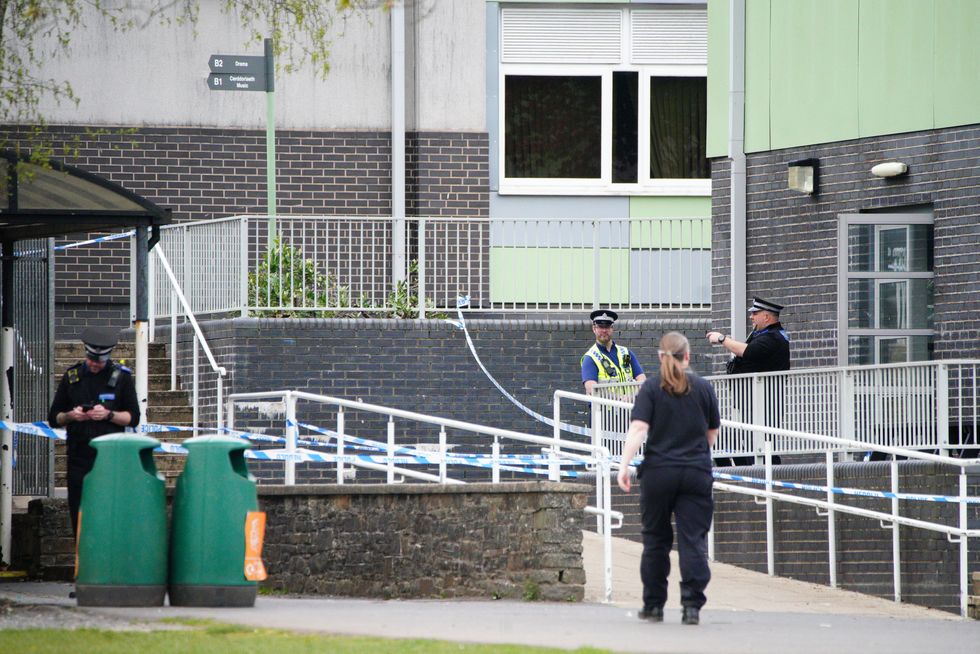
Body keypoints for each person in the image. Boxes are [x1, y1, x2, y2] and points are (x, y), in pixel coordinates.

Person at [617, 332, 720, 626]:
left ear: (661, 357)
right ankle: (691, 606)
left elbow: (638, 429)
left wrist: (624, 465)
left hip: (659, 473)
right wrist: (694, 454)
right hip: (695, 474)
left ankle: (653, 606)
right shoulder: (703, 388)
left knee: (655, 540)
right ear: (687, 356)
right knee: (693, 540)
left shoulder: (651, 388)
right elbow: (711, 434)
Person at [48, 326, 140, 537]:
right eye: (91, 360)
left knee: (109, 512)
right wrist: (72, 415)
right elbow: (54, 418)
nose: (94, 364)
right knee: (79, 512)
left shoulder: (121, 378)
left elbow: (133, 417)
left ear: (107, 358)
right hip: (79, 456)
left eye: (99, 361)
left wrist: (108, 415)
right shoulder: (72, 377)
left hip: (111, 458)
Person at [706, 297, 790, 465]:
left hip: (764, 402)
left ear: (766, 317)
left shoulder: (773, 338)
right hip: (751, 400)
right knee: (741, 439)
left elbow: (747, 351)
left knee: (760, 443)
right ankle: (742, 470)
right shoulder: (762, 334)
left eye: (755, 313)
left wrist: (723, 339)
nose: (751, 317)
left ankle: (766, 477)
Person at [580, 309, 647, 396]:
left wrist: (631, 397)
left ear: (612, 328)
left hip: (629, 407)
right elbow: (591, 389)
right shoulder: (590, 358)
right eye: (600, 327)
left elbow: (642, 381)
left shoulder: (626, 353)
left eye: (607, 326)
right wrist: (619, 400)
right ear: (594, 329)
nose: (604, 330)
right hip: (604, 409)